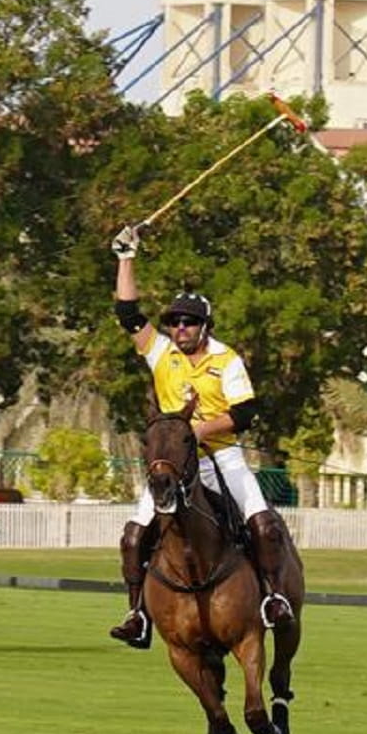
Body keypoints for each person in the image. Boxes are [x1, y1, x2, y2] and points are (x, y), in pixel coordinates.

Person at [106, 225, 294, 647]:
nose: (180, 328)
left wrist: (195, 431)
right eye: (175, 321)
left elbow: (245, 412)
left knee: (263, 525)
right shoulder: (161, 352)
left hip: (220, 458)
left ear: (205, 326)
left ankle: (273, 598)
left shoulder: (227, 360)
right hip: (173, 464)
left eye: (190, 322)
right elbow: (128, 314)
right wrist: (125, 258)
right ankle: (136, 613)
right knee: (134, 534)